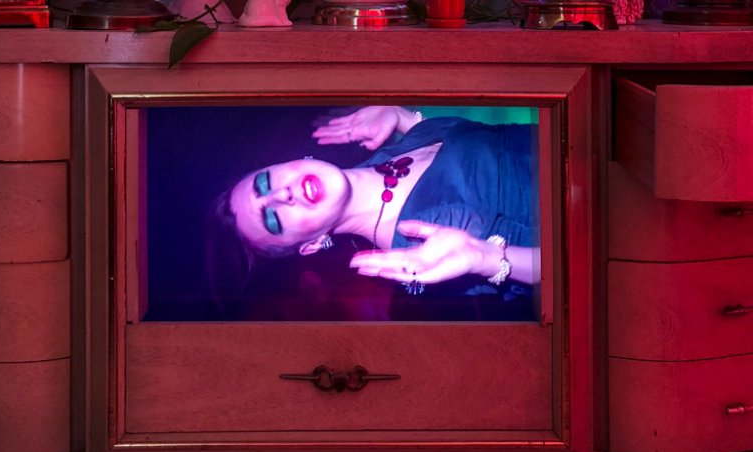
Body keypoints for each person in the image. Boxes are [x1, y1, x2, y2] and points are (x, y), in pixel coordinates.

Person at [208, 106, 540, 313]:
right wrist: (485, 259)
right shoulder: (417, 250)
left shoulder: (385, 156)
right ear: (310, 245)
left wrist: (402, 117)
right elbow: (574, 275)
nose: (283, 194)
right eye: (274, 218)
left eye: (266, 183)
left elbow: (479, 144)